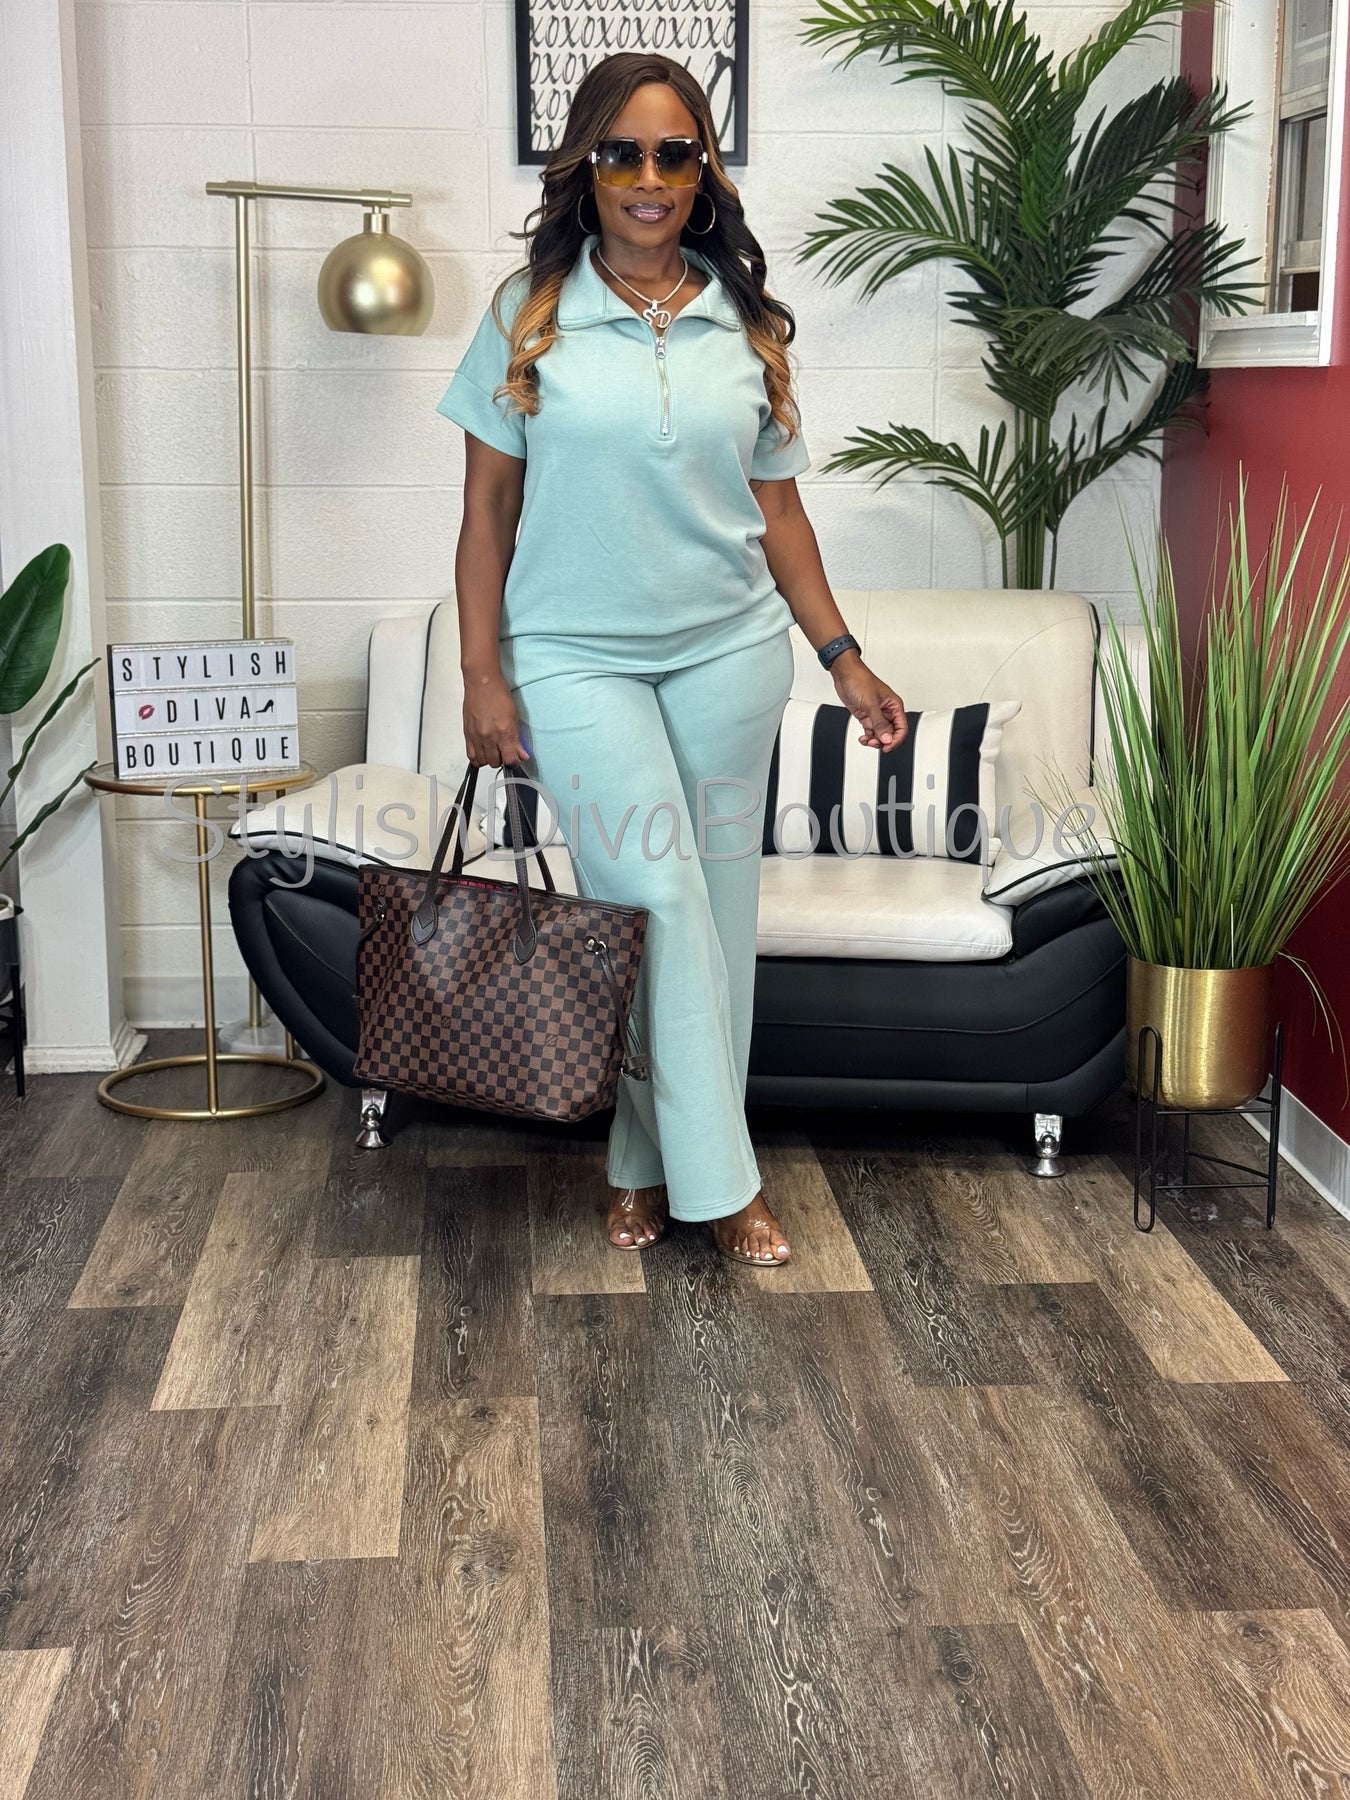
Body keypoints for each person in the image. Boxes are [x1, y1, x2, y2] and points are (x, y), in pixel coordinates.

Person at [437, 52, 907, 1264]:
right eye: (623, 153)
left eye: (674, 153)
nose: (649, 177)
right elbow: (487, 511)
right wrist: (483, 674)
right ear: (586, 169)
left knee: (710, 919)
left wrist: (843, 657)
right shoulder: (526, 312)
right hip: (573, 659)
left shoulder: (743, 321)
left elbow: (780, 512)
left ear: (704, 173)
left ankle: (642, 1165)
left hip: (730, 654)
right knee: (656, 895)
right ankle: (728, 1184)